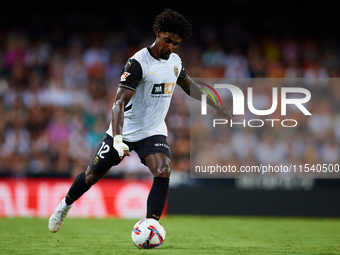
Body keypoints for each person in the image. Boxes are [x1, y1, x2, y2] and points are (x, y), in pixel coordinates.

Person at [49, 8, 232, 233]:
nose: (170, 47)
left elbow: (190, 87)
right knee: (91, 176)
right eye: (167, 41)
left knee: (163, 169)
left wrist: (216, 105)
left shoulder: (174, 61)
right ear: (158, 32)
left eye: (175, 43)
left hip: (153, 131)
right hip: (124, 131)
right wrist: (117, 139)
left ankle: (151, 227)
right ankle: (64, 206)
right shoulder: (138, 62)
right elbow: (118, 103)